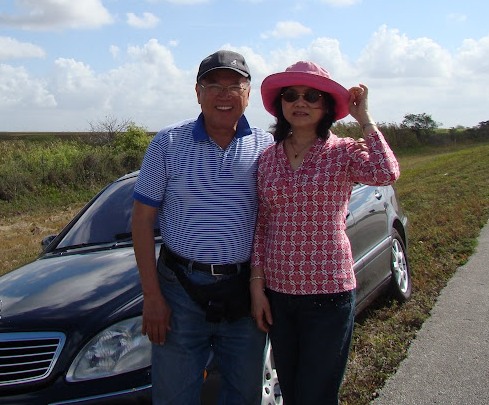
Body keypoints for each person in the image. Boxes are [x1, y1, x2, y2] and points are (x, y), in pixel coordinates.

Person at [250, 61, 400, 405]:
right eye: (291, 95)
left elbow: (387, 172)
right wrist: (257, 286)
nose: (300, 102)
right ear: (280, 104)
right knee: (292, 392)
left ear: (327, 105)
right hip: (279, 295)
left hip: (328, 293)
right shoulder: (267, 159)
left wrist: (364, 119)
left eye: (311, 96)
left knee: (316, 395)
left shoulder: (344, 151)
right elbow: (262, 225)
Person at [131, 49, 274, 405]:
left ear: (248, 93)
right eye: (213, 86)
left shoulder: (266, 147)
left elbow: (275, 221)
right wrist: (152, 297)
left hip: (244, 292)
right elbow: (142, 220)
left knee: (244, 396)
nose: (224, 95)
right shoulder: (167, 143)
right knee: (174, 397)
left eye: (234, 86)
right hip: (179, 292)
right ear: (198, 92)